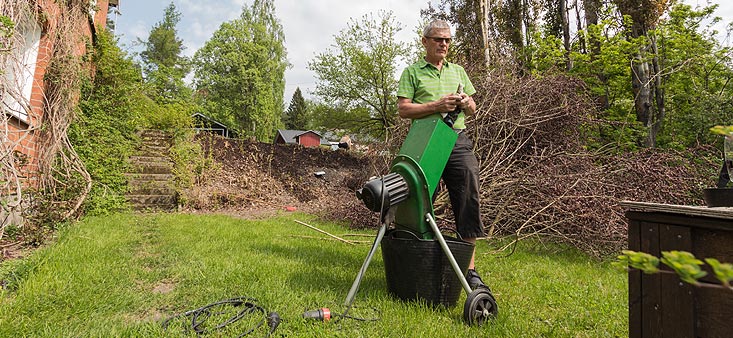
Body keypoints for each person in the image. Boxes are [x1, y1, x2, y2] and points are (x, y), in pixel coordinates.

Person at [396, 19, 488, 290]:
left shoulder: (458, 71)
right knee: (419, 201)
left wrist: (466, 102)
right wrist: (437, 105)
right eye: (438, 39)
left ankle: (469, 270)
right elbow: (404, 110)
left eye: (447, 40)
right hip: (425, 142)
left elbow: (473, 108)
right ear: (424, 42)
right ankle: (418, 259)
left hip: (457, 141)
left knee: (469, 195)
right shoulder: (412, 72)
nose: (444, 44)